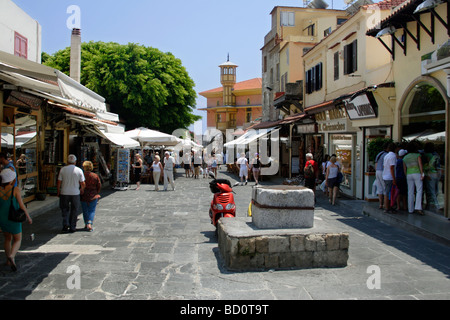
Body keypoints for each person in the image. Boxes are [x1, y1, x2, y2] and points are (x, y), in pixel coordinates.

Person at [0, 169, 32, 272]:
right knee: (18, 239)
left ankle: (8, 261)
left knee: (7, 238)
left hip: (2, 218)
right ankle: (12, 256)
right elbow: (21, 205)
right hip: (13, 218)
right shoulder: (15, 190)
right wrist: (28, 216)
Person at [57, 154, 85, 233]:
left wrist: (58, 190)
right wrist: (82, 189)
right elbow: (82, 183)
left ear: (67, 161)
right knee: (74, 210)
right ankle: (72, 226)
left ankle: (65, 224)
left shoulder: (63, 169)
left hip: (64, 192)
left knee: (64, 209)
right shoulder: (79, 170)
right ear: (75, 162)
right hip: (75, 193)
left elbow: (59, 181)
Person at [403, 141, 424, 215]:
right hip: (417, 173)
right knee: (419, 190)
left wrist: (406, 175)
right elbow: (420, 165)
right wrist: (422, 174)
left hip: (409, 174)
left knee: (410, 191)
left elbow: (404, 169)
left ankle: (410, 209)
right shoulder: (417, 155)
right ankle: (418, 207)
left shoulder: (405, 157)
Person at [80, 161, 101, 232]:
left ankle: (86, 223)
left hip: (84, 195)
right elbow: (99, 185)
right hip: (93, 195)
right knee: (92, 210)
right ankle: (89, 223)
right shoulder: (95, 176)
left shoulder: (82, 175)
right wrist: (97, 192)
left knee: (85, 210)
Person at [423, 142, 441, 211]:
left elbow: (425, 166)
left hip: (429, 173)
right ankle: (434, 204)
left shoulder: (425, 155)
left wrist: (426, 174)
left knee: (430, 190)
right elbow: (438, 166)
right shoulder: (436, 155)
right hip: (437, 173)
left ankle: (435, 204)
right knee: (436, 190)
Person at [382, 142, 397, 214]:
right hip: (390, 177)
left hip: (385, 176)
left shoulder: (386, 156)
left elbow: (384, 166)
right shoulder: (393, 156)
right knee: (389, 192)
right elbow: (392, 167)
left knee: (386, 192)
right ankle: (388, 207)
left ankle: (386, 206)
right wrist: (394, 178)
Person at [374, 143, 388, 210]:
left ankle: (380, 204)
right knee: (385, 188)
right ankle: (385, 204)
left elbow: (376, 164)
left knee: (379, 188)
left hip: (377, 171)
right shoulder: (386, 155)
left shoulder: (379, 154)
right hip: (382, 171)